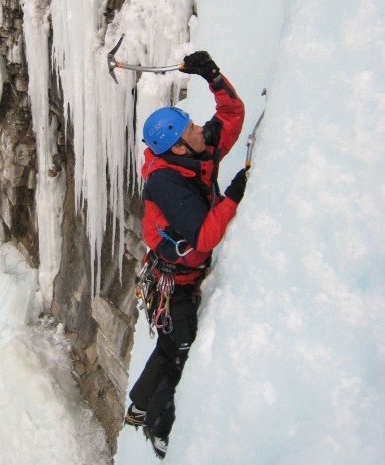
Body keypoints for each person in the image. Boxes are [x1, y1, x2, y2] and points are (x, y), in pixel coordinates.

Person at [124, 51, 247, 459]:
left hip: (183, 273)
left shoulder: (193, 151)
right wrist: (233, 197)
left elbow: (231, 118)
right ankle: (157, 426)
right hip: (174, 281)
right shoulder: (167, 186)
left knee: (172, 345)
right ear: (177, 148)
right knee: (179, 347)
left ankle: (140, 406)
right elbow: (206, 235)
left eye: (194, 125)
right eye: (193, 128)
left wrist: (212, 74)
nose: (201, 129)